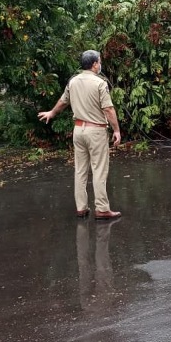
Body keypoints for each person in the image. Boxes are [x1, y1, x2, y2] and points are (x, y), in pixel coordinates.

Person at [38, 50, 122, 219]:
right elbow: (108, 109)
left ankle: (81, 207)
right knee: (99, 170)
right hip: (96, 131)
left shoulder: (73, 81)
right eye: (99, 61)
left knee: (80, 170)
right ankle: (102, 209)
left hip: (78, 130)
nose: (100, 64)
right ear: (94, 64)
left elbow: (63, 101)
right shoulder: (100, 83)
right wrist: (117, 130)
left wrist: (51, 113)